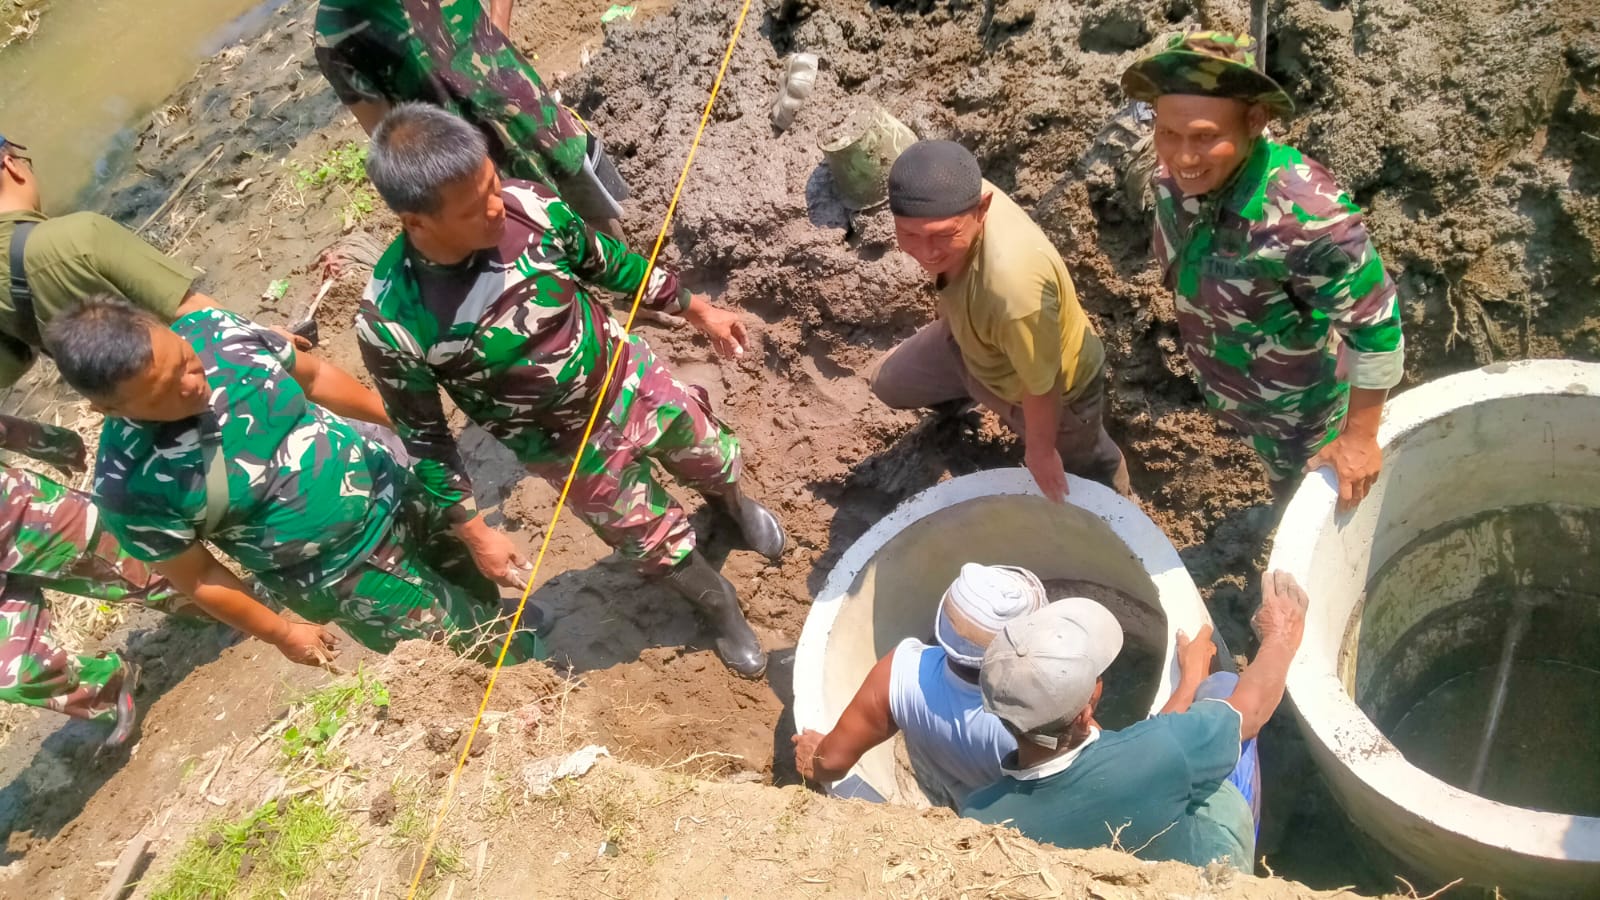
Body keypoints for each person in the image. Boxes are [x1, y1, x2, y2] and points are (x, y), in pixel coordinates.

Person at [355, 103, 783, 679]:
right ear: (417, 223)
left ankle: (732, 508)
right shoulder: (393, 321)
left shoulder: (528, 207)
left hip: (630, 377)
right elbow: (426, 438)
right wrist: (475, 530)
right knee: (649, 537)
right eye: (473, 205)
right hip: (564, 444)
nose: (495, 207)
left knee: (709, 452)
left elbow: (611, 265)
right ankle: (721, 607)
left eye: (492, 182)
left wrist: (696, 309)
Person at [45, 295, 542, 669]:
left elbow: (315, 379)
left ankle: (501, 626)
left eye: (182, 362)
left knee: (470, 579)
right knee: (462, 650)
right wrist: (280, 632)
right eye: (162, 394)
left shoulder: (216, 331)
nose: (192, 385)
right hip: (342, 573)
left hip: (392, 488)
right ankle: (526, 682)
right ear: (107, 410)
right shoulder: (128, 487)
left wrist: (411, 429)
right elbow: (199, 578)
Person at [1122, 33, 1405, 509]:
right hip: (1241, 393)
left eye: (1206, 137)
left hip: (1305, 415)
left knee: (1312, 505)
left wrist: (1358, 438)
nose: (1183, 157)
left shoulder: (1304, 216)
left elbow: (1376, 325)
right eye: (1168, 133)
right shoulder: (1174, 179)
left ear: (1255, 121)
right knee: (1279, 477)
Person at [961, 571, 1309, 870]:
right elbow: (1252, 712)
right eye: (1096, 674)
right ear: (1086, 710)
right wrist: (1281, 635)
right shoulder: (1157, 754)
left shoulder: (979, 817)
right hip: (1200, 871)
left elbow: (1140, 752)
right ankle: (1258, 847)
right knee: (1223, 687)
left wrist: (1187, 684)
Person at [870, 140, 1131, 502]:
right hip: (972, 344)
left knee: (1086, 477)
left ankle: (1114, 494)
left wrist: (1040, 452)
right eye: (910, 235)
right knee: (888, 382)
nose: (926, 252)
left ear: (982, 208)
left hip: (1054, 392)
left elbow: (1043, 385)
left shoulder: (1012, 286)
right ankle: (965, 399)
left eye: (943, 236)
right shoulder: (943, 190)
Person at [312, 0, 627, 233]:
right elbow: (390, 138)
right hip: (478, 164)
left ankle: (636, 295)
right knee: (532, 240)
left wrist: (496, 35)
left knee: (589, 202)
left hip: (531, 113)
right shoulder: (336, 34)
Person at [792, 563, 1048, 808]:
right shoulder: (1034, 717)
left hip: (968, 803)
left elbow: (832, 762)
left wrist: (815, 755)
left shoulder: (899, 672)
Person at [0, 414, 183, 746]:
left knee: (162, 583)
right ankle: (113, 683)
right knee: (16, 675)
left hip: (26, 519)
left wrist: (52, 442)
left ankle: (248, 613)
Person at [0, 133, 214, 391]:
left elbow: (10, 370)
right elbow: (196, 311)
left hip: (134, 412)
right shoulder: (81, 235)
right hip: (197, 381)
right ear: (12, 166)